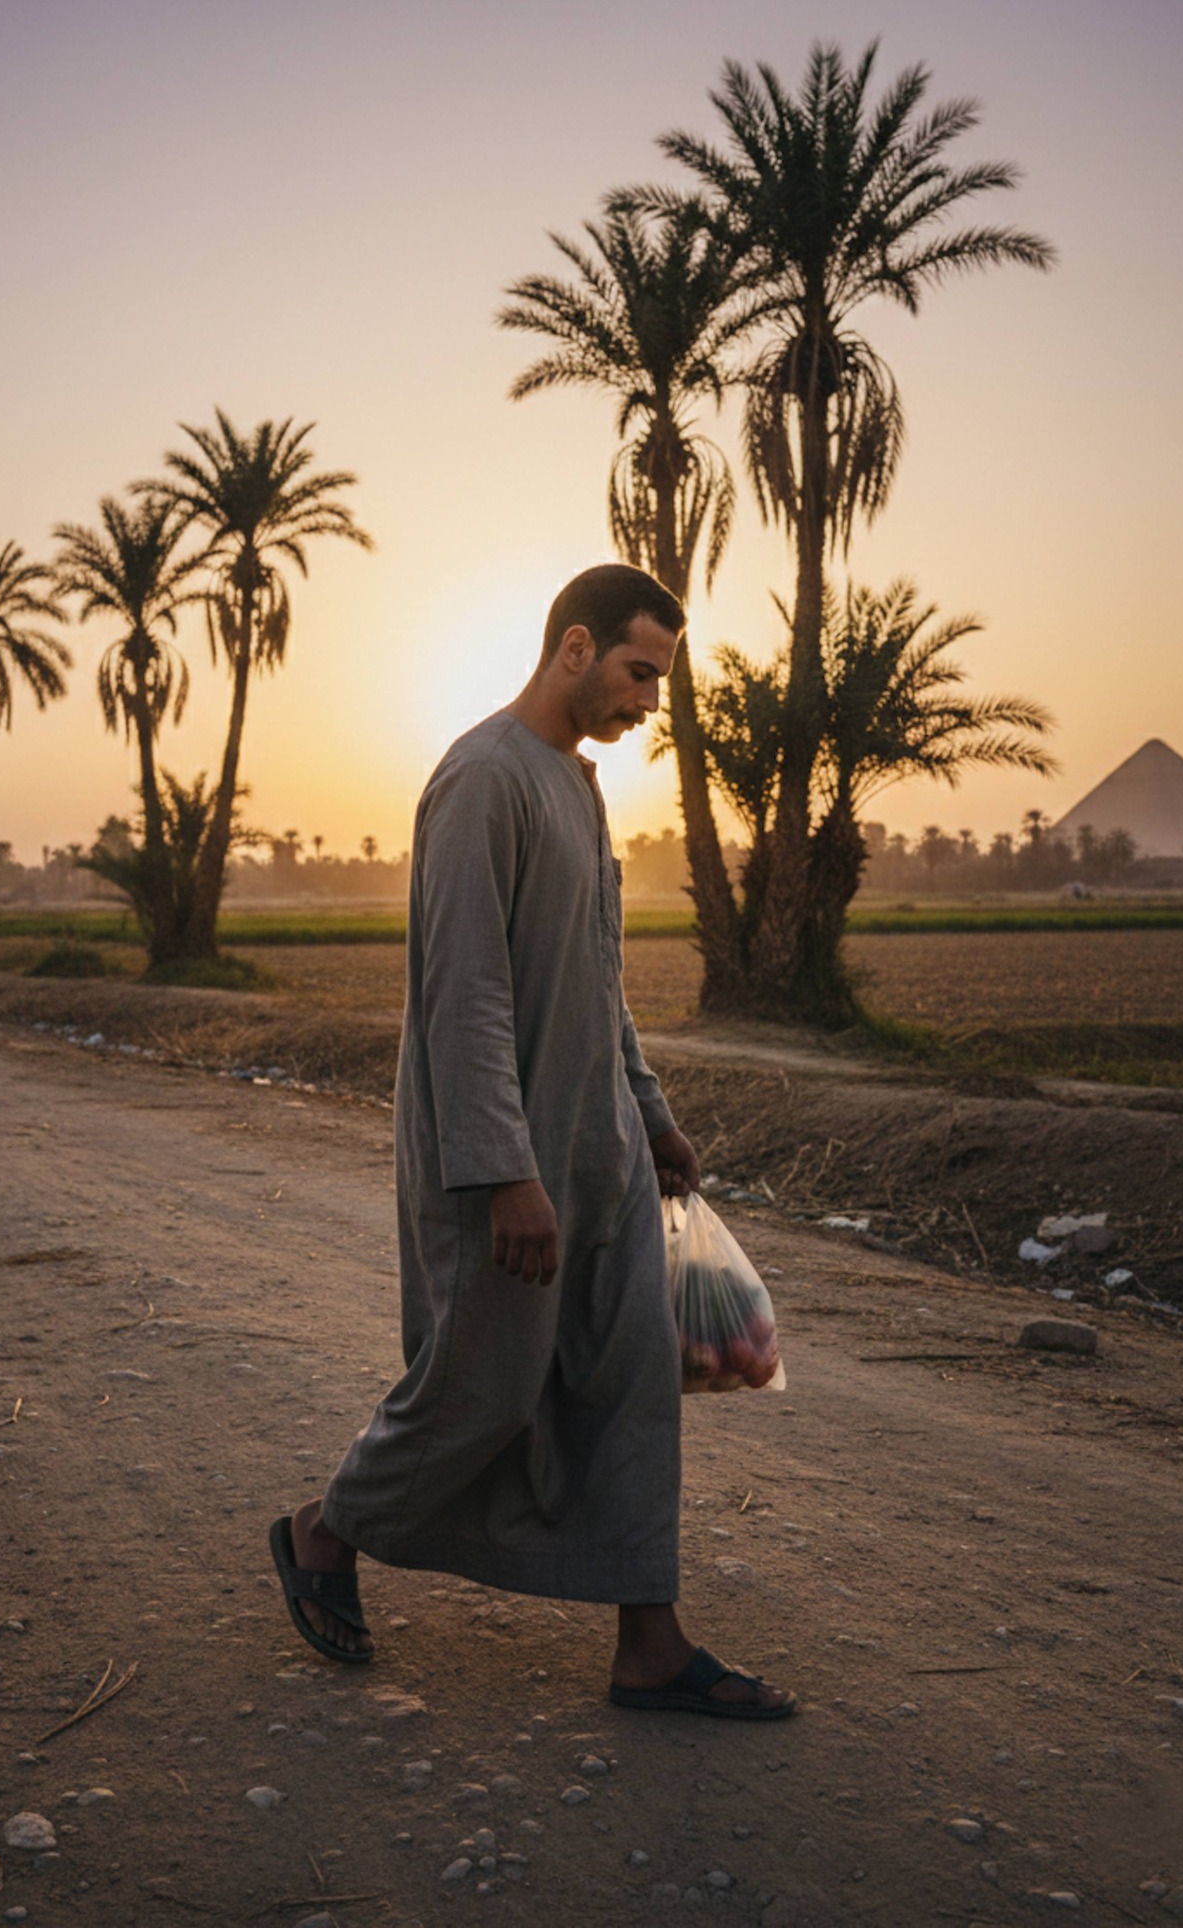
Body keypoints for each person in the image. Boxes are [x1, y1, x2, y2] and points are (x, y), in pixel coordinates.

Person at [269, 564, 795, 1720]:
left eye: (659, 677)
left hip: (601, 1156)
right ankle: (323, 1527)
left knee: (629, 1389)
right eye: (637, 671)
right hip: (502, 1169)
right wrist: (507, 1172)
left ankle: (649, 1643)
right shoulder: (480, 779)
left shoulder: (577, 784)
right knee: (486, 1389)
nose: (650, 698)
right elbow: (466, 993)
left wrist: (648, 1113)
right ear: (573, 646)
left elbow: (596, 983)